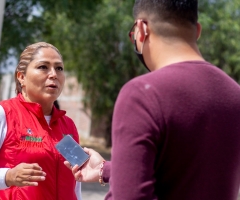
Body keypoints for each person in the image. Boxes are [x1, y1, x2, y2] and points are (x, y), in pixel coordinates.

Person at [65, 1, 240, 200]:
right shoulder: (234, 94)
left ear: (142, 29)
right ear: (197, 31)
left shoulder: (142, 94)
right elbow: (186, 171)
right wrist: (107, 170)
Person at [0, 42, 82, 200]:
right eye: (43, 67)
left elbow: (76, 184)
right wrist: (7, 176)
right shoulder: (0, 115)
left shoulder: (68, 125)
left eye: (59, 68)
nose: (54, 74)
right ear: (21, 77)